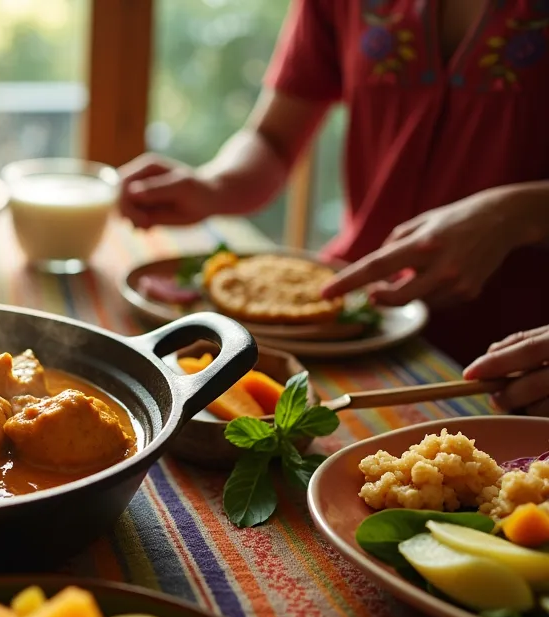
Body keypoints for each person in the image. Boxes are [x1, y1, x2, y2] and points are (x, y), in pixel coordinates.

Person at [117, 0, 549, 368]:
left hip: (518, 358)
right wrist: (212, 185)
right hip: (351, 329)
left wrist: (515, 214)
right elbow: (273, 139)